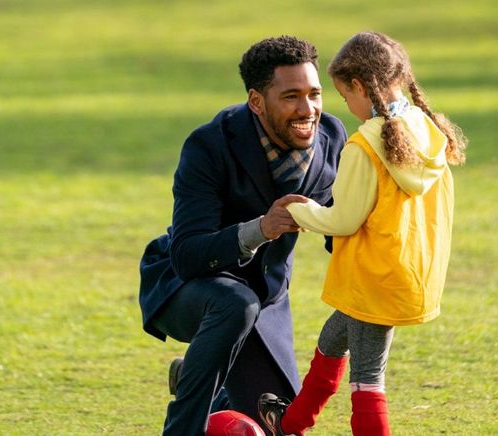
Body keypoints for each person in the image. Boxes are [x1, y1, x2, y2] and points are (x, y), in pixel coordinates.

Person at [257, 31, 467, 436]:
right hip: (406, 273)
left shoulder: (365, 144)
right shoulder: (425, 127)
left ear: (358, 86)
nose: (345, 106)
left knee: (368, 379)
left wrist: (297, 210)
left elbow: (343, 221)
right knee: (331, 341)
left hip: (375, 276)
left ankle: (295, 424)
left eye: (343, 95)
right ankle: (292, 423)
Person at [138, 35, 347, 435]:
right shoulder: (209, 144)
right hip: (186, 287)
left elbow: (338, 229)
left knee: (280, 425)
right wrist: (260, 229)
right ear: (256, 101)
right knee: (236, 303)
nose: (308, 110)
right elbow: (187, 254)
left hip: (266, 300)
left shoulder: (332, 139)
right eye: (291, 96)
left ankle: (201, 376)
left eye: (315, 94)